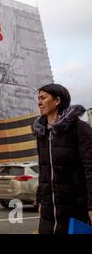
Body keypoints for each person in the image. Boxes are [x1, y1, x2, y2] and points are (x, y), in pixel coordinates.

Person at [33, 83, 92, 234]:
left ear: (57, 101)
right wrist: (40, 200)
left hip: (74, 210)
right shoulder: (41, 133)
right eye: (38, 98)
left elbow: (90, 169)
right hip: (48, 212)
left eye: (43, 98)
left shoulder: (79, 129)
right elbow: (43, 169)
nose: (39, 102)